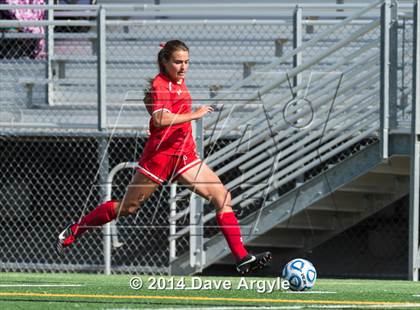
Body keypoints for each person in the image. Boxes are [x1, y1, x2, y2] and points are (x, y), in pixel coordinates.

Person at [57, 40, 271, 275]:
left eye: (187, 62)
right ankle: (76, 229)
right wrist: (194, 114)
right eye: (178, 62)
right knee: (128, 208)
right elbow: (160, 120)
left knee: (222, 196)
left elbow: (154, 106)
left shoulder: (177, 81)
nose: (183, 67)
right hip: (159, 158)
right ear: (165, 62)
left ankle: (242, 257)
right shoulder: (161, 85)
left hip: (184, 156)